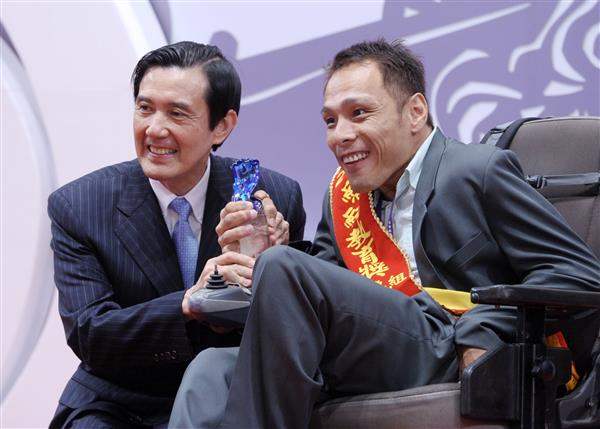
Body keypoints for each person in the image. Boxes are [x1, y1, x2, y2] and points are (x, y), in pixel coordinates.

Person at [169, 39, 600, 429]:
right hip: (370, 349)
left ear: (415, 112)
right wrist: (268, 255)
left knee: (283, 268)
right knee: (211, 372)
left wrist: (481, 326)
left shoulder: (476, 171)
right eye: (330, 120)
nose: (340, 136)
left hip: (446, 343)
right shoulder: (342, 196)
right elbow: (322, 290)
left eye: (359, 114)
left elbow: (580, 277)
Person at [47, 41, 305, 428]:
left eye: (177, 113)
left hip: (229, 397)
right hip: (119, 401)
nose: (154, 129)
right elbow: (91, 335)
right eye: (145, 108)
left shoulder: (271, 198)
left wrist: (276, 265)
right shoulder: (80, 205)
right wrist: (189, 302)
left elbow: (292, 332)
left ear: (222, 125)